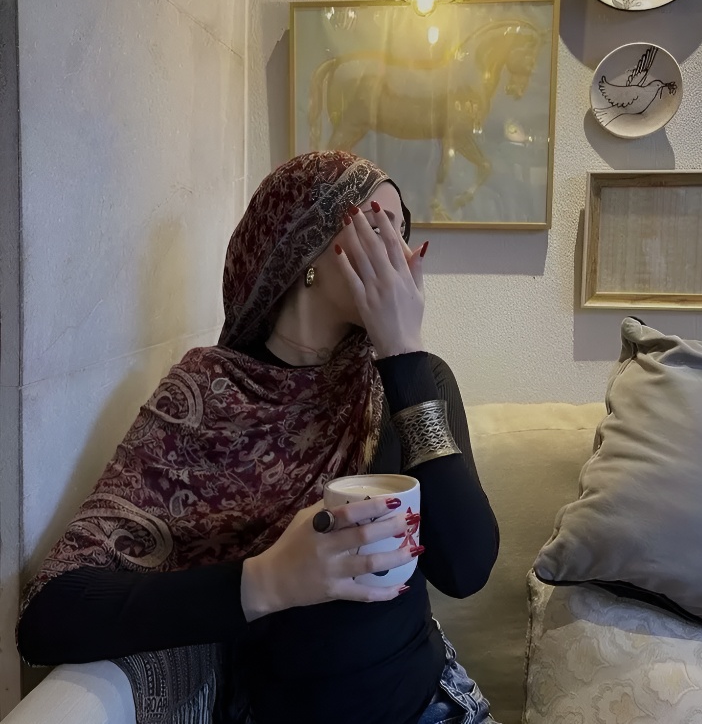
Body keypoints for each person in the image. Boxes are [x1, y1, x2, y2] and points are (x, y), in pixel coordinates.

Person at [17, 151, 500, 724]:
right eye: (377, 226)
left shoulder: (413, 380)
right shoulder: (207, 392)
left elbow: (466, 569)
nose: (399, 252)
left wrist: (403, 353)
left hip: (431, 707)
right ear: (305, 246)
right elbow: (49, 615)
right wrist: (267, 582)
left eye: (403, 231)